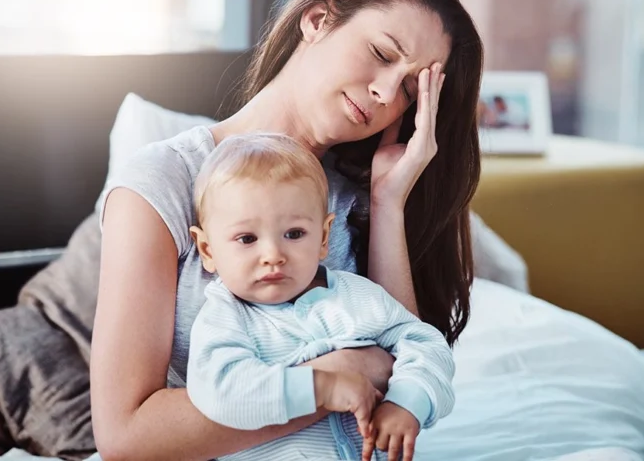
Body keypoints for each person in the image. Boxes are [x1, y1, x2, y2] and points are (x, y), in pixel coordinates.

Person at [91, 0, 483, 461]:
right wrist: (330, 380)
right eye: (383, 55)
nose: (386, 93)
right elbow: (126, 436)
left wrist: (389, 203)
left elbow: (398, 375)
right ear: (318, 20)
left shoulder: (358, 200)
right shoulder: (163, 182)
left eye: (410, 90)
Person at [185, 132, 455, 461]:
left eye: (294, 234)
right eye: (246, 238)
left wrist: (406, 401)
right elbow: (221, 392)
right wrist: (322, 387)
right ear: (207, 249)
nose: (272, 254)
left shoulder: (356, 296)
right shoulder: (224, 318)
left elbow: (426, 344)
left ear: (324, 236)